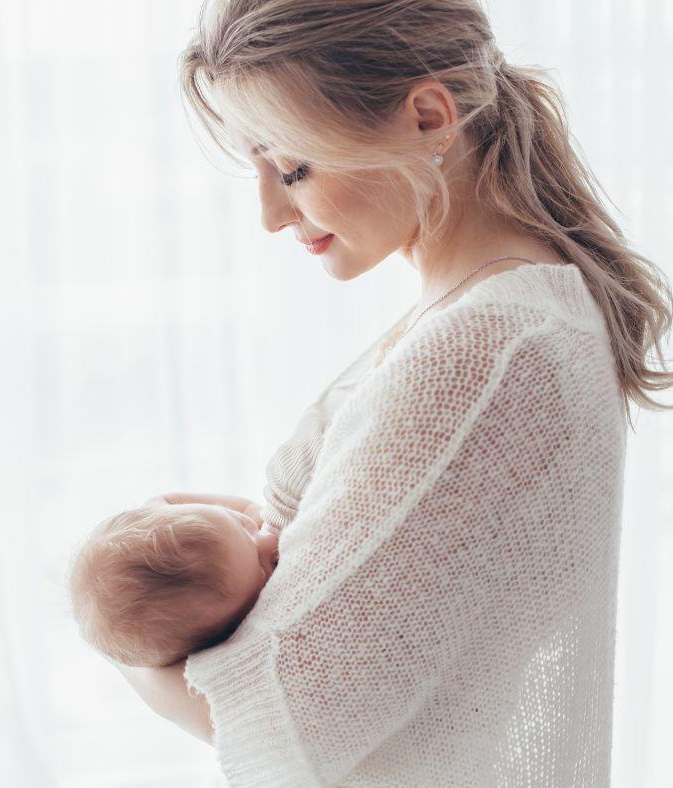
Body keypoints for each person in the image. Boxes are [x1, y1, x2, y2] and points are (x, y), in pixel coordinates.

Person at [105, 1, 673, 786]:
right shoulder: (499, 314)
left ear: (429, 117)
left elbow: (284, 719)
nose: (270, 216)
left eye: (292, 168)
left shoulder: (487, 350)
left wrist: (122, 643)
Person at [66, 492, 280, 668]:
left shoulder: (169, 510)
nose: (270, 539)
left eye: (243, 524)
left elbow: (165, 502)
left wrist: (253, 513)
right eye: (264, 568)